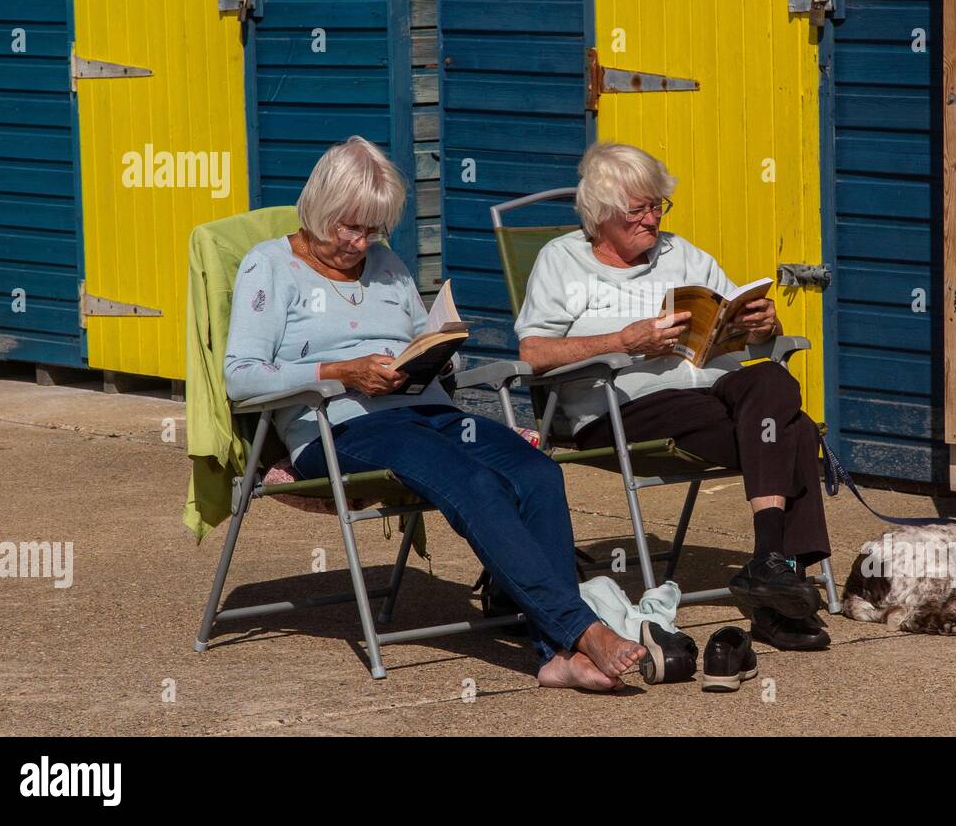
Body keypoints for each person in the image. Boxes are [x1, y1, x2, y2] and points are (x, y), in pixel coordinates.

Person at [224, 135, 644, 690]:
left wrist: (438, 349)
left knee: (536, 471)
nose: (358, 242)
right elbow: (240, 377)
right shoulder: (269, 267)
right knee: (474, 482)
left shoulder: (387, 263)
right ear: (317, 208)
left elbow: (417, 340)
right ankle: (582, 633)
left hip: (426, 411)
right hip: (341, 425)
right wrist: (339, 371)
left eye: (372, 229)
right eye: (347, 227)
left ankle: (554, 655)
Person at [515, 142, 834, 651]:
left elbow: (736, 313)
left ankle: (768, 567)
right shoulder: (563, 261)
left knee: (775, 382)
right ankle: (776, 589)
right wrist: (624, 342)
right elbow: (532, 353)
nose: (652, 219)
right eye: (637, 210)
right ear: (600, 217)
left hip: (710, 392)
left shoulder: (681, 253)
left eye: (657, 205)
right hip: (621, 406)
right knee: (790, 431)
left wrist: (760, 325)